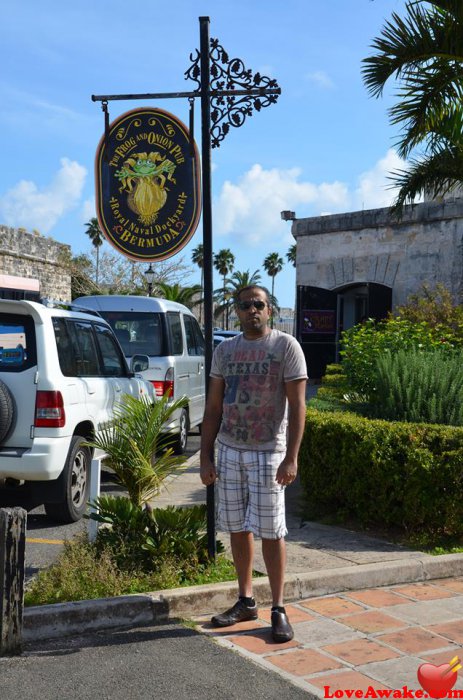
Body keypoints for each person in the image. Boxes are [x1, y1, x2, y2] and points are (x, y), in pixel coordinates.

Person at [200, 285, 308, 642]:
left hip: (268, 451)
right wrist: (206, 455)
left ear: (269, 309)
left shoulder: (284, 347)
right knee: (236, 527)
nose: (251, 311)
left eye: (258, 305)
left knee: (272, 530)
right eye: (245, 306)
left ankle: (278, 607)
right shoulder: (225, 351)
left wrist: (291, 457)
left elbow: (297, 407)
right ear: (237, 311)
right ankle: (246, 600)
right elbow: (213, 408)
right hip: (230, 449)